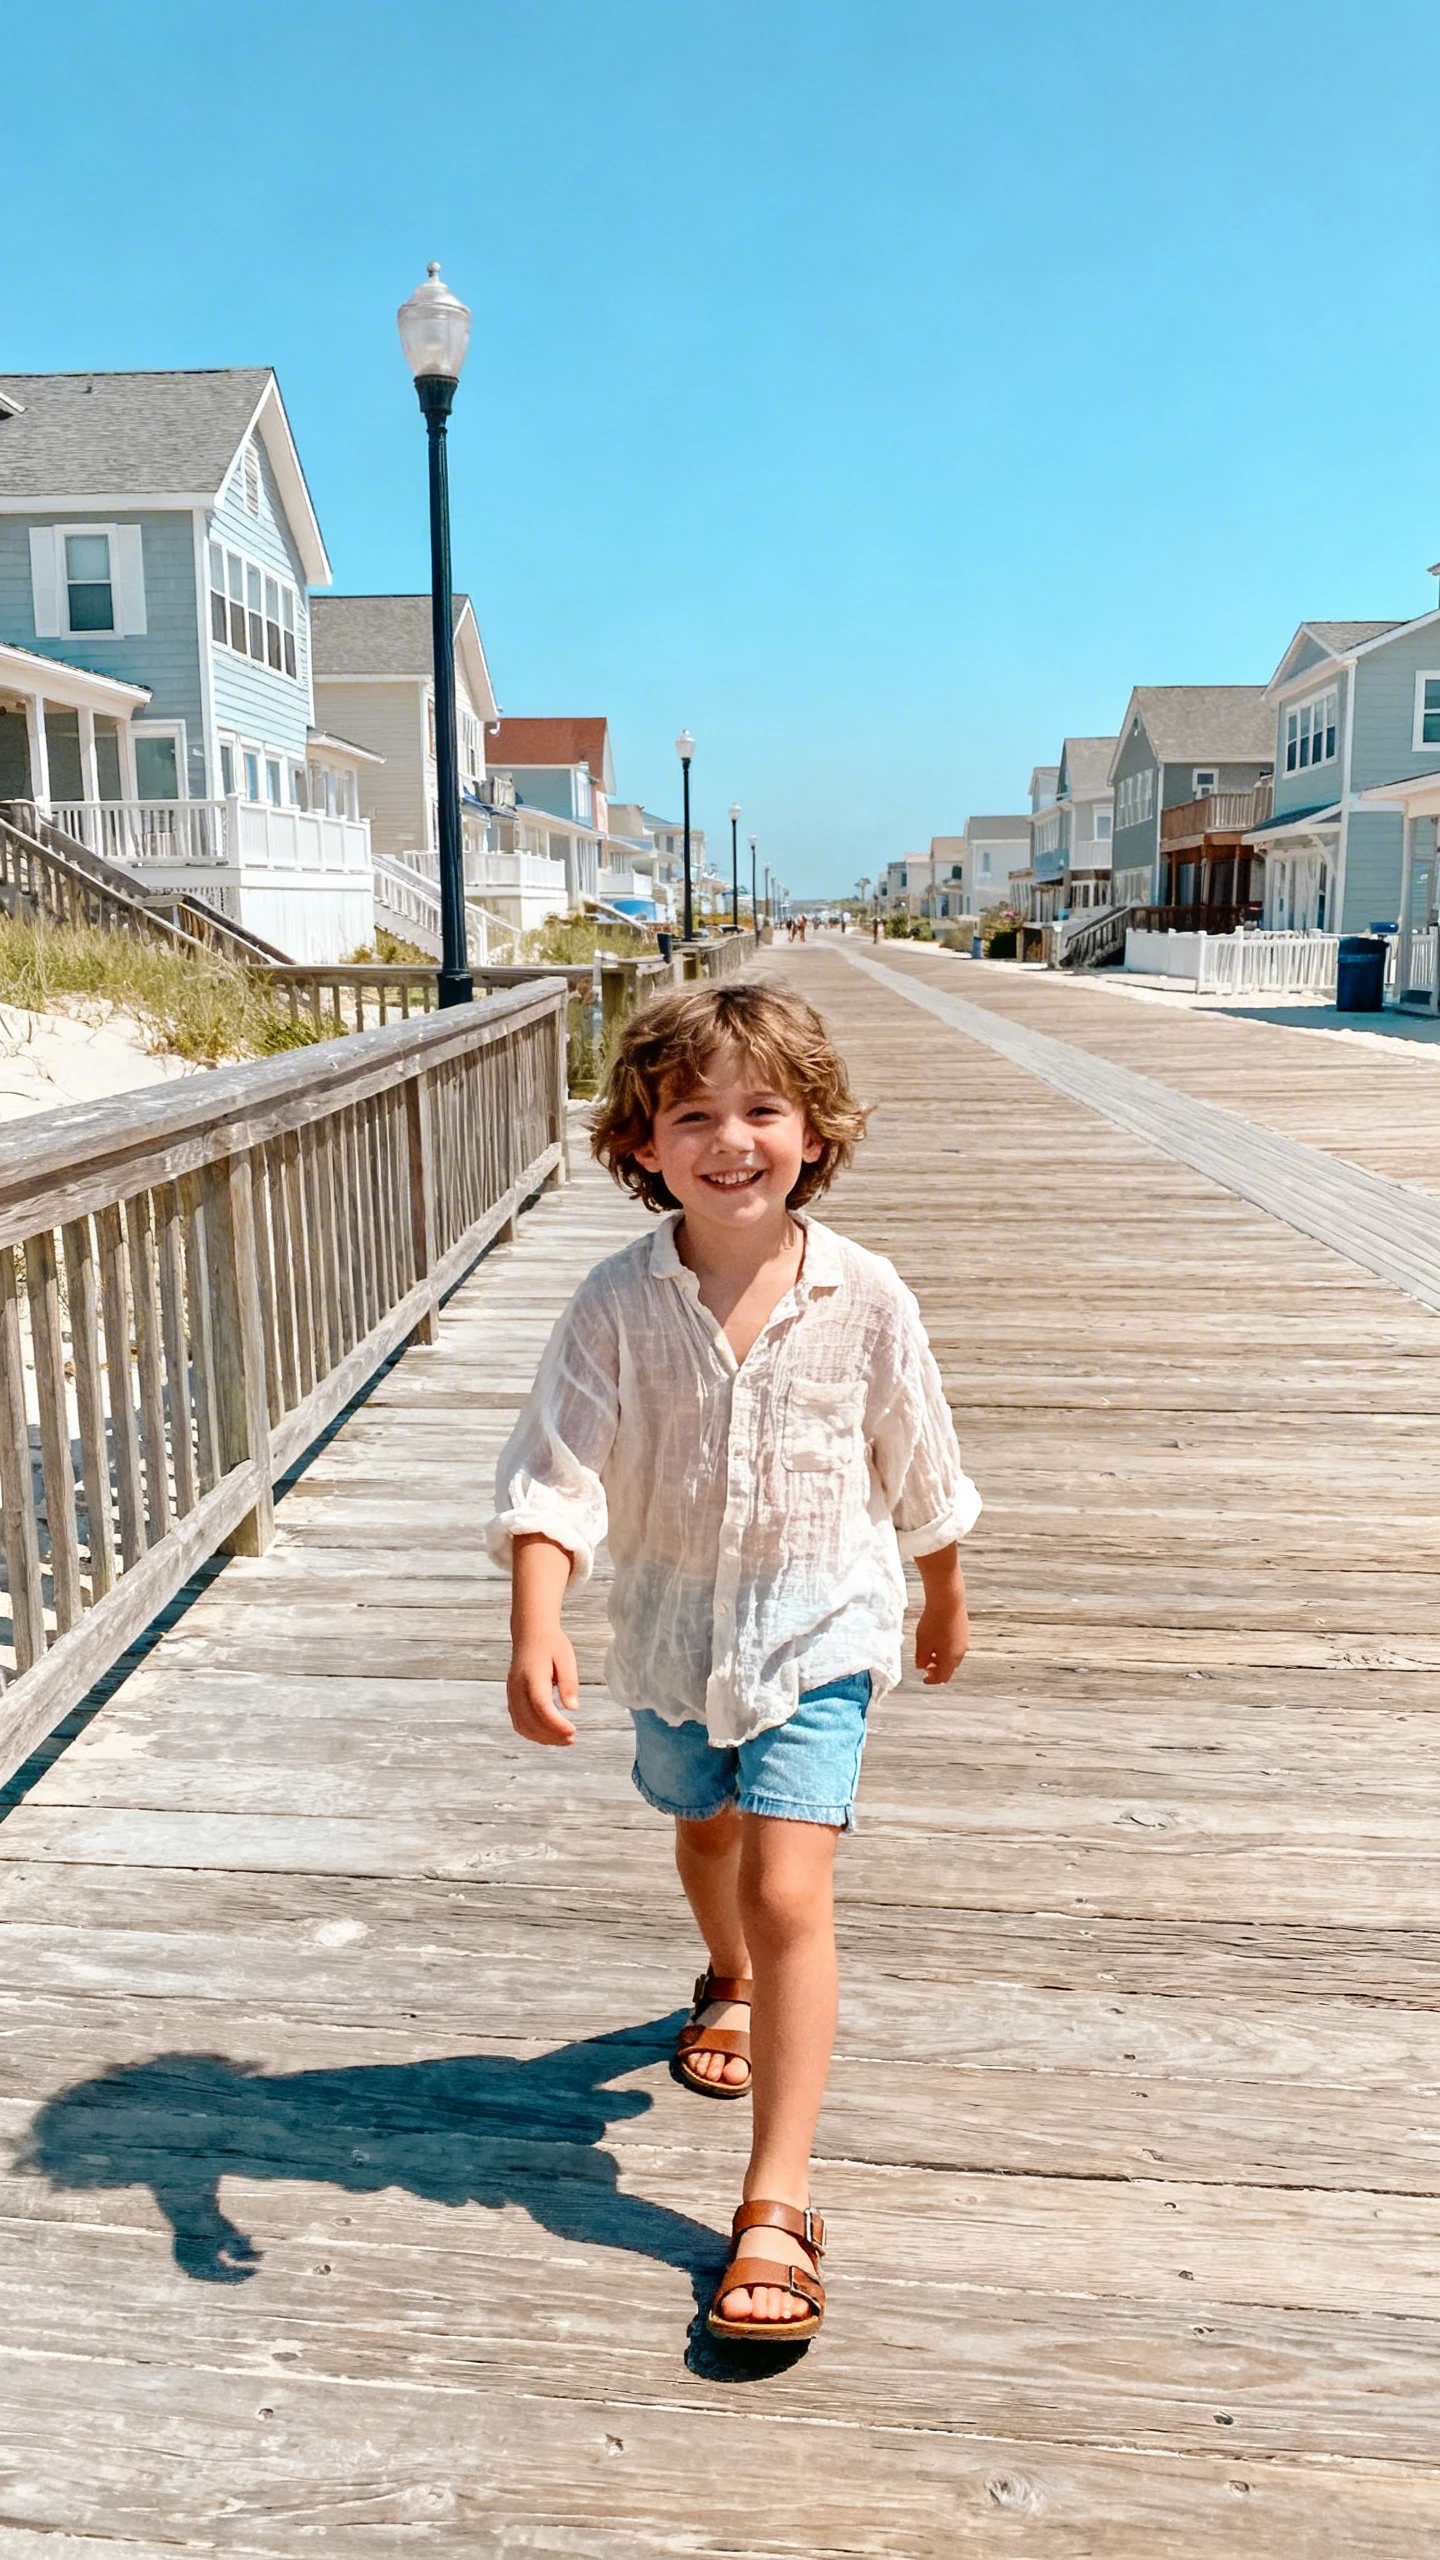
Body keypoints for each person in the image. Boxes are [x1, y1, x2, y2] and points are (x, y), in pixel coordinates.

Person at [489, 980, 979, 2345]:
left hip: (825, 1623)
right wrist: (537, 1620)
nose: (730, 1140)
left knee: (787, 1879)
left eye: (763, 1109)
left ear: (815, 1131)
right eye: (690, 1113)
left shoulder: (866, 1296)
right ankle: (729, 1981)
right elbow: (556, 1471)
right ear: (641, 1145)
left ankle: (775, 2201)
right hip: (669, 1632)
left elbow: (918, 1458)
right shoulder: (613, 1304)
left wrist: (943, 1595)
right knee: (703, 1829)